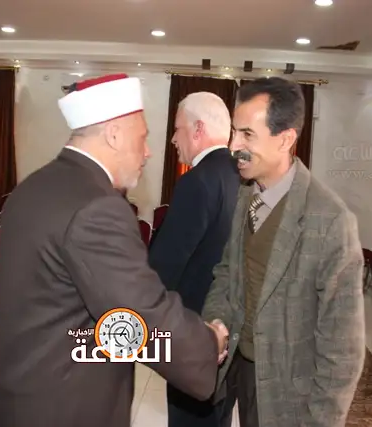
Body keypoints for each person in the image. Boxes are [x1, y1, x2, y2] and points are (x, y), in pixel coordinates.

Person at [0, 74, 229, 427]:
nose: (148, 152)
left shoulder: (34, 185)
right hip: (61, 404)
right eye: (142, 138)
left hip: (14, 395)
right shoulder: (98, 206)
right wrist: (207, 343)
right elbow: (138, 315)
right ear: (114, 134)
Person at [202, 77, 366, 427]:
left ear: (285, 139)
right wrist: (216, 321)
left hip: (290, 398)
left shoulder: (331, 221)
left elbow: (343, 349)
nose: (233, 146)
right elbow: (228, 272)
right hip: (240, 372)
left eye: (247, 134)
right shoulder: (245, 195)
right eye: (234, 132)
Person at [148, 92, 240, 427]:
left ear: (198, 129)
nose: (173, 139)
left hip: (194, 335)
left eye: (177, 129)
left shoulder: (197, 181)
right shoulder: (242, 178)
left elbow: (164, 266)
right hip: (229, 333)